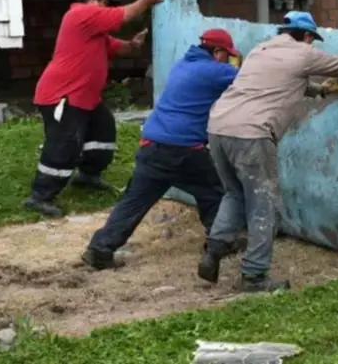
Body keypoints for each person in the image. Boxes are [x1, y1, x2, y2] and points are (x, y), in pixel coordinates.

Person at [196, 11, 338, 293]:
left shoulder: (261, 50)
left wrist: (319, 90)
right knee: (264, 204)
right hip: (251, 134)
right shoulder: (303, 53)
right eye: (312, 39)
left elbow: (279, 82)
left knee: (234, 194)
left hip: (218, 127)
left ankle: (213, 251)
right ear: (307, 36)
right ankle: (254, 275)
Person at [81, 29, 244, 270]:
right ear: (217, 51)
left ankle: (99, 249)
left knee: (134, 201)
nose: (226, 59)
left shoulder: (182, 64)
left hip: (152, 145)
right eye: (225, 55)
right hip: (184, 149)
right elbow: (249, 79)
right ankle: (219, 242)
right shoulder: (214, 71)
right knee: (214, 192)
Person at [25, 0, 166, 218]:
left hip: (84, 97)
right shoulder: (81, 14)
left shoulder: (94, 31)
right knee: (64, 145)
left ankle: (88, 175)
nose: (106, 9)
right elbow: (122, 16)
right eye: (105, 3)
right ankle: (40, 196)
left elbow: (120, 48)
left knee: (103, 132)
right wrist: (146, 0)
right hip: (63, 96)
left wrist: (134, 44)